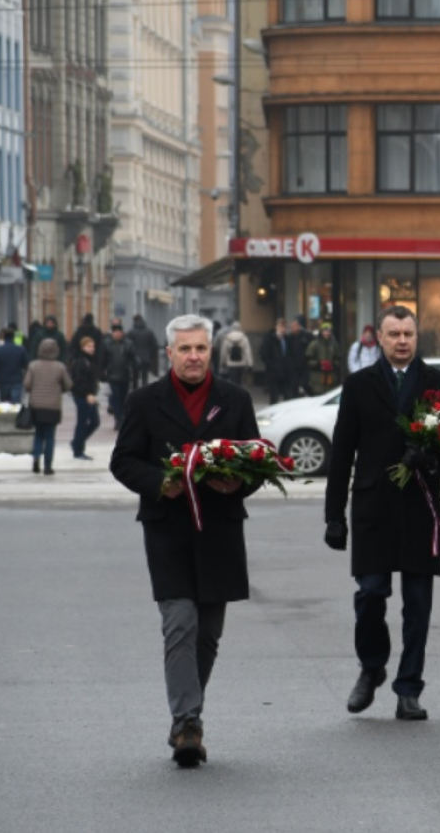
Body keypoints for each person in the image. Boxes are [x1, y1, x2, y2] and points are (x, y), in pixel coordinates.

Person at [110, 315, 263, 767]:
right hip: (168, 528)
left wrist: (237, 484)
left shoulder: (234, 399)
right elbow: (123, 462)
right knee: (179, 622)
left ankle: (186, 713)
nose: (194, 356)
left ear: (209, 351)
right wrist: (162, 482)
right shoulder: (144, 401)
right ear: (169, 353)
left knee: (208, 634)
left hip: (219, 528)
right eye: (185, 349)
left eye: (201, 348)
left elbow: (257, 458)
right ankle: (187, 723)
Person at [324, 306, 440, 722]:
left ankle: (409, 688)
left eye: (408, 333)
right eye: (393, 334)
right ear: (379, 338)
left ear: (417, 336)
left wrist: (432, 459)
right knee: (370, 594)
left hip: (420, 506)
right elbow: (342, 452)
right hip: (372, 506)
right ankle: (371, 667)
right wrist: (334, 515)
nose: (402, 341)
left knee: (418, 603)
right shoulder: (358, 385)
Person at [23, 339, 71, 474]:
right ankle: (48, 466)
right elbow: (68, 385)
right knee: (50, 437)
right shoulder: (60, 367)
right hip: (53, 407)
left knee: (38, 435)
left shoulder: (33, 365)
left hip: (36, 406)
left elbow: (27, 384)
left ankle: (36, 458)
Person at [69, 336, 102, 461]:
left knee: (95, 422)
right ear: (82, 347)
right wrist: (88, 393)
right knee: (82, 422)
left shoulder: (90, 359)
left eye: (93, 346)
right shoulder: (80, 361)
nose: (92, 349)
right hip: (82, 396)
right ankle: (78, 450)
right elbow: (79, 380)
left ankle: (76, 443)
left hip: (90, 395)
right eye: (89, 346)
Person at [101, 323, 139, 429]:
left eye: (119, 332)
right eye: (115, 332)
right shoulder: (107, 344)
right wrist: (102, 373)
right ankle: (118, 418)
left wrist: (135, 365)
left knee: (123, 397)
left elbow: (133, 357)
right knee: (115, 397)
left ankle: (122, 417)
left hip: (125, 375)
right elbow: (103, 360)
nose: (117, 334)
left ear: (122, 333)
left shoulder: (128, 344)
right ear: (112, 333)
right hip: (112, 375)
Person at [0, 327, 31, 405]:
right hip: (17, 381)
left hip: (3, 382)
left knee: (5, 405)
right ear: (14, 337)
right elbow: (27, 365)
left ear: (4, 337)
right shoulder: (21, 349)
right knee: (16, 405)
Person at [259, 319, 290, 405]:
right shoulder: (269, 339)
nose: (282, 329)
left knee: (286, 396)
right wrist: (271, 365)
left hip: (285, 372)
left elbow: (289, 354)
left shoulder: (287, 339)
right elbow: (263, 354)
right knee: (274, 397)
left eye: (284, 327)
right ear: (276, 327)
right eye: (280, 326)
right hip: (273, 372)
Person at [306, 322, 342, 391]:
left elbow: (338, 358)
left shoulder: (334, 345)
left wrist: (332, 364)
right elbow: (308, 360)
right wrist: (319, 364)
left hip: (331, 378)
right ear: (321, 332)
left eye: (328, 331)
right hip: (317, 378)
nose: (326, 333)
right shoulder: (314, 345)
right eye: (325, 331)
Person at [219, 321, 253, 386]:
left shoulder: (227, 338)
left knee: (232, 381)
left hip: (230, 364)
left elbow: (224, 352)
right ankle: (239, 394)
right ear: (240, 328)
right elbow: (247, 352)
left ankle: (233, 394)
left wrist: (223, 362)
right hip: (241, 363)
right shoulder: (244, 338)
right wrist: (250, 364)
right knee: (239, 381)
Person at [129, 315, 160, 386]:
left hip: (134, 358)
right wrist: (151, 356)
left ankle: (135, 392)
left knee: (135, 377)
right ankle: (144, 392)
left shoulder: (131, 332)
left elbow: (127, 345)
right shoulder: (149, 332)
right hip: (146, 358)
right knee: (145, 377)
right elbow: (154, 345)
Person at [286, 318, 313, 398]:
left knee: (306, 383)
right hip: (294, 365)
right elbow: (288, 351)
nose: (292, 328)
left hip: (305, 365)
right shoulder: (290, 337)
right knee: (294, 385)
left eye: (294, 326)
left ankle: (310, 396)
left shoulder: (306, 335)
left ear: (298, 326)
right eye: (291, 327)